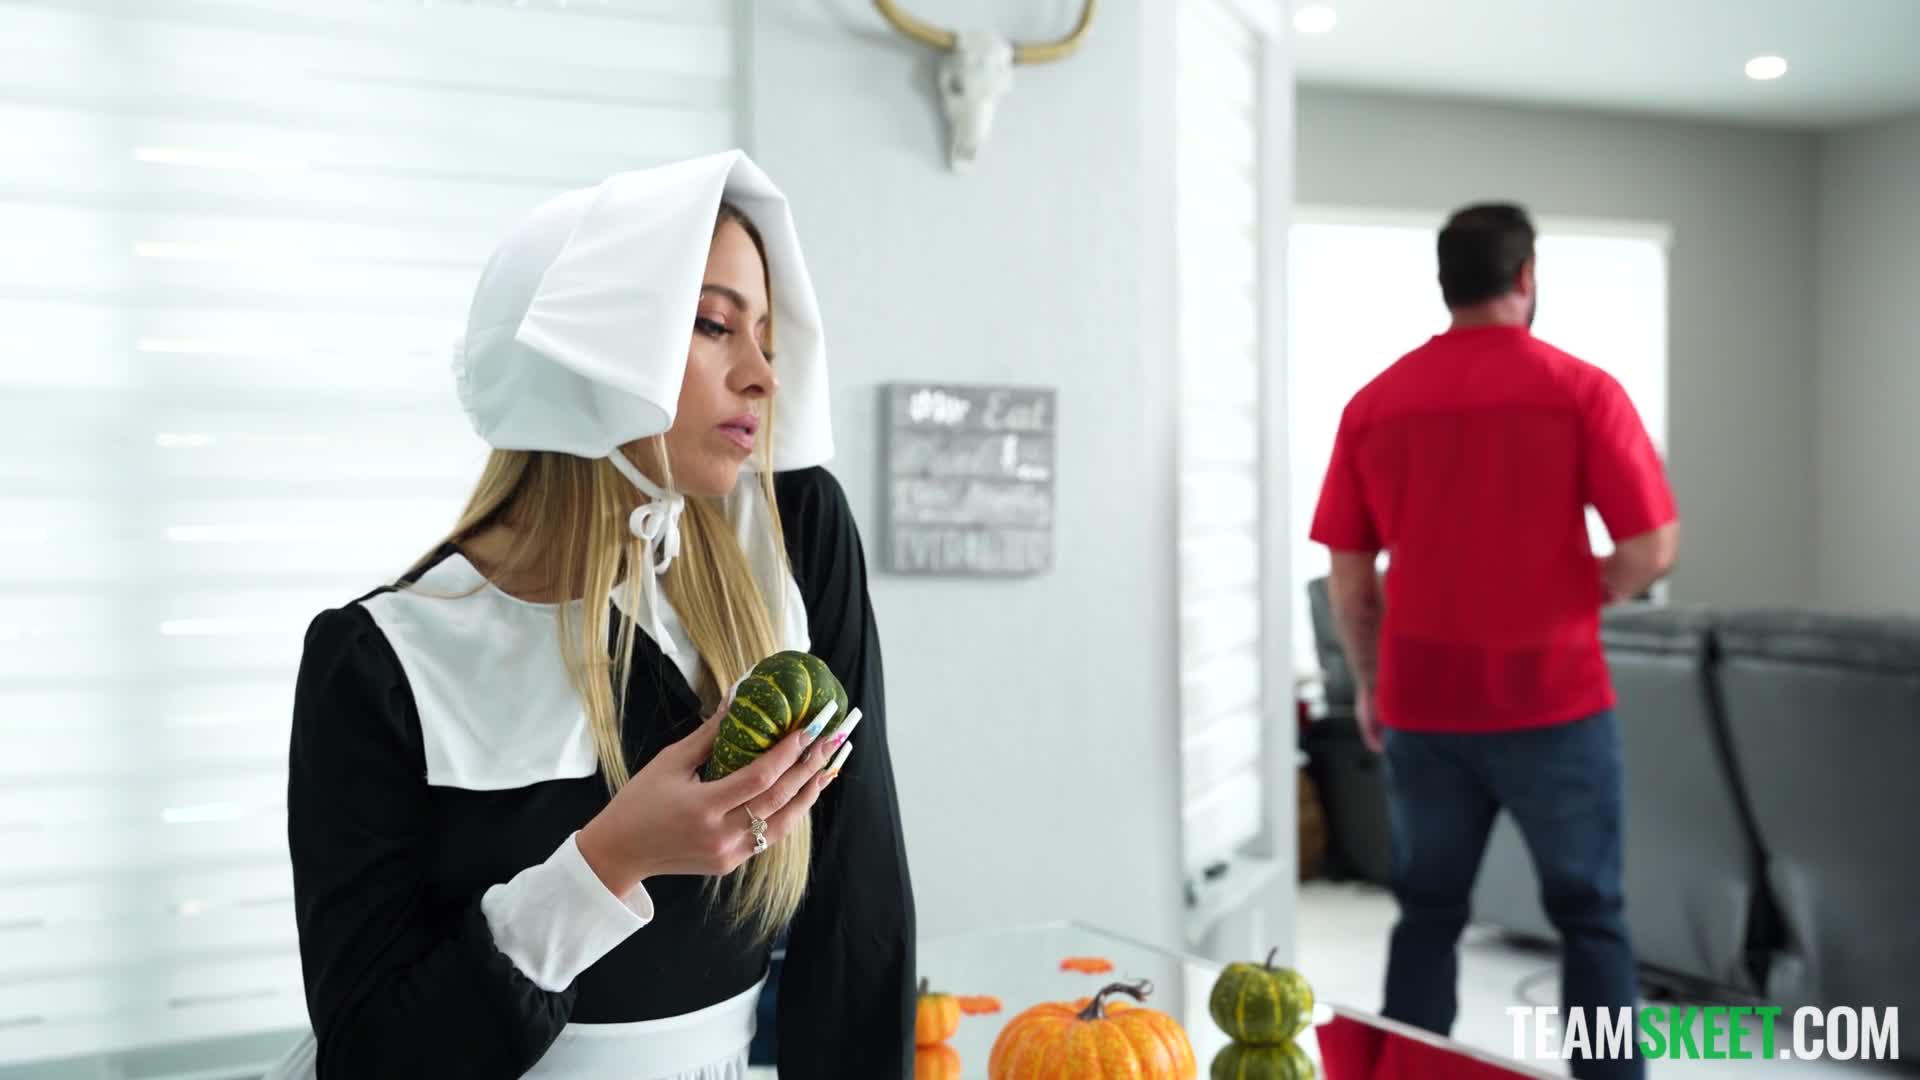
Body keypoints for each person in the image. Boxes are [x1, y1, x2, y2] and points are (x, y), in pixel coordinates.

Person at [267, 150, 916, 1079]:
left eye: (766, 338)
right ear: (584, 351)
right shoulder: (380, 662)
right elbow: (372, 1056)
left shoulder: (792, 531)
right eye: (712, 325)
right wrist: (607, 864)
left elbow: (860, 903)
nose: (762, 378)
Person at [1309, 203, 1678, 1080]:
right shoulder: (1581, 390)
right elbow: (1651, 546)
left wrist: (1371, 684)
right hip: (1556, 701)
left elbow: (1351, 580)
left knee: (1427, 916)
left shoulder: (1376, 403)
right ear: (1525, 276)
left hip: (1424, 707)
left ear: (1445, 282)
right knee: (1590, 917)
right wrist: (1582, 588)